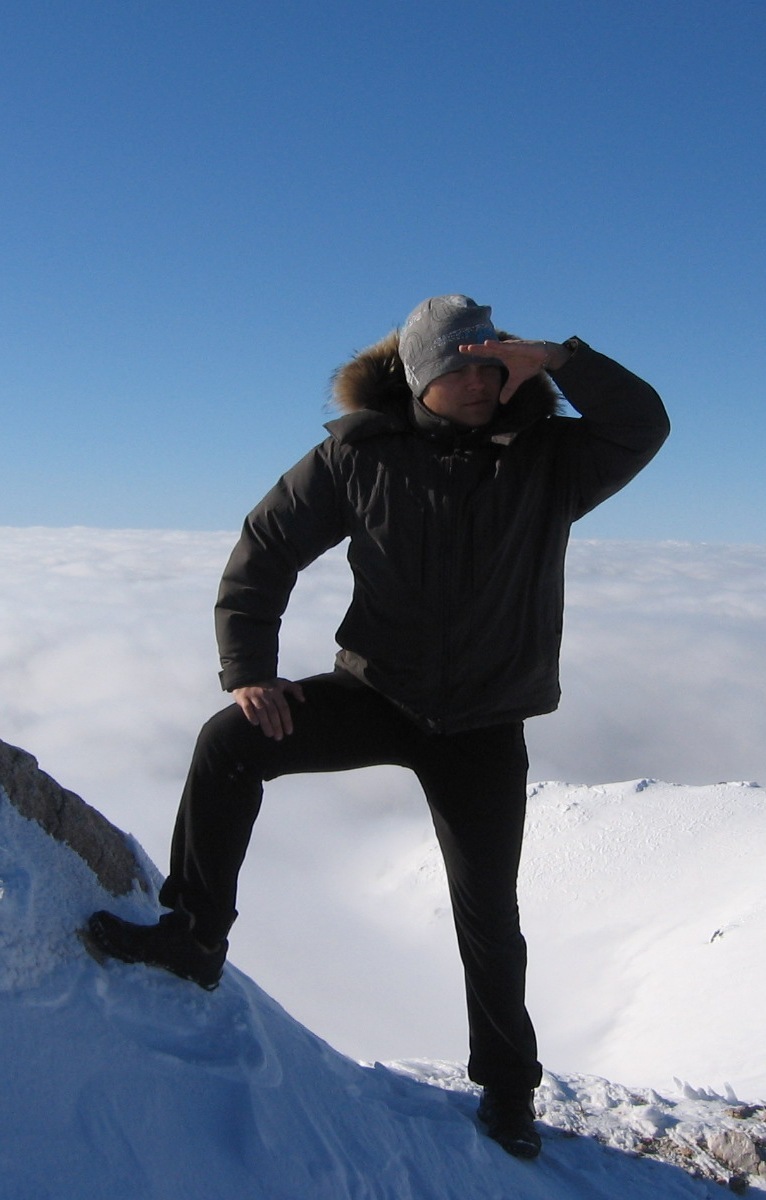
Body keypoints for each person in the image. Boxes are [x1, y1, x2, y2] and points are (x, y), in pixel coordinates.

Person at [90, 294, 669, 1159]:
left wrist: (557, 357)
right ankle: (194, 936)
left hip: (483, 720)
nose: (479, 381)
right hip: (378, 693)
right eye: (458, 368)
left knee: (487, 912)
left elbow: (644, 424)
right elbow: (266, 546)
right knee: (229, 744)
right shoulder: (360, 454)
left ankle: (508, 1090)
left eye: (491, 365)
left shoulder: (552, 457)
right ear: (417, 377)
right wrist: (250, 671)